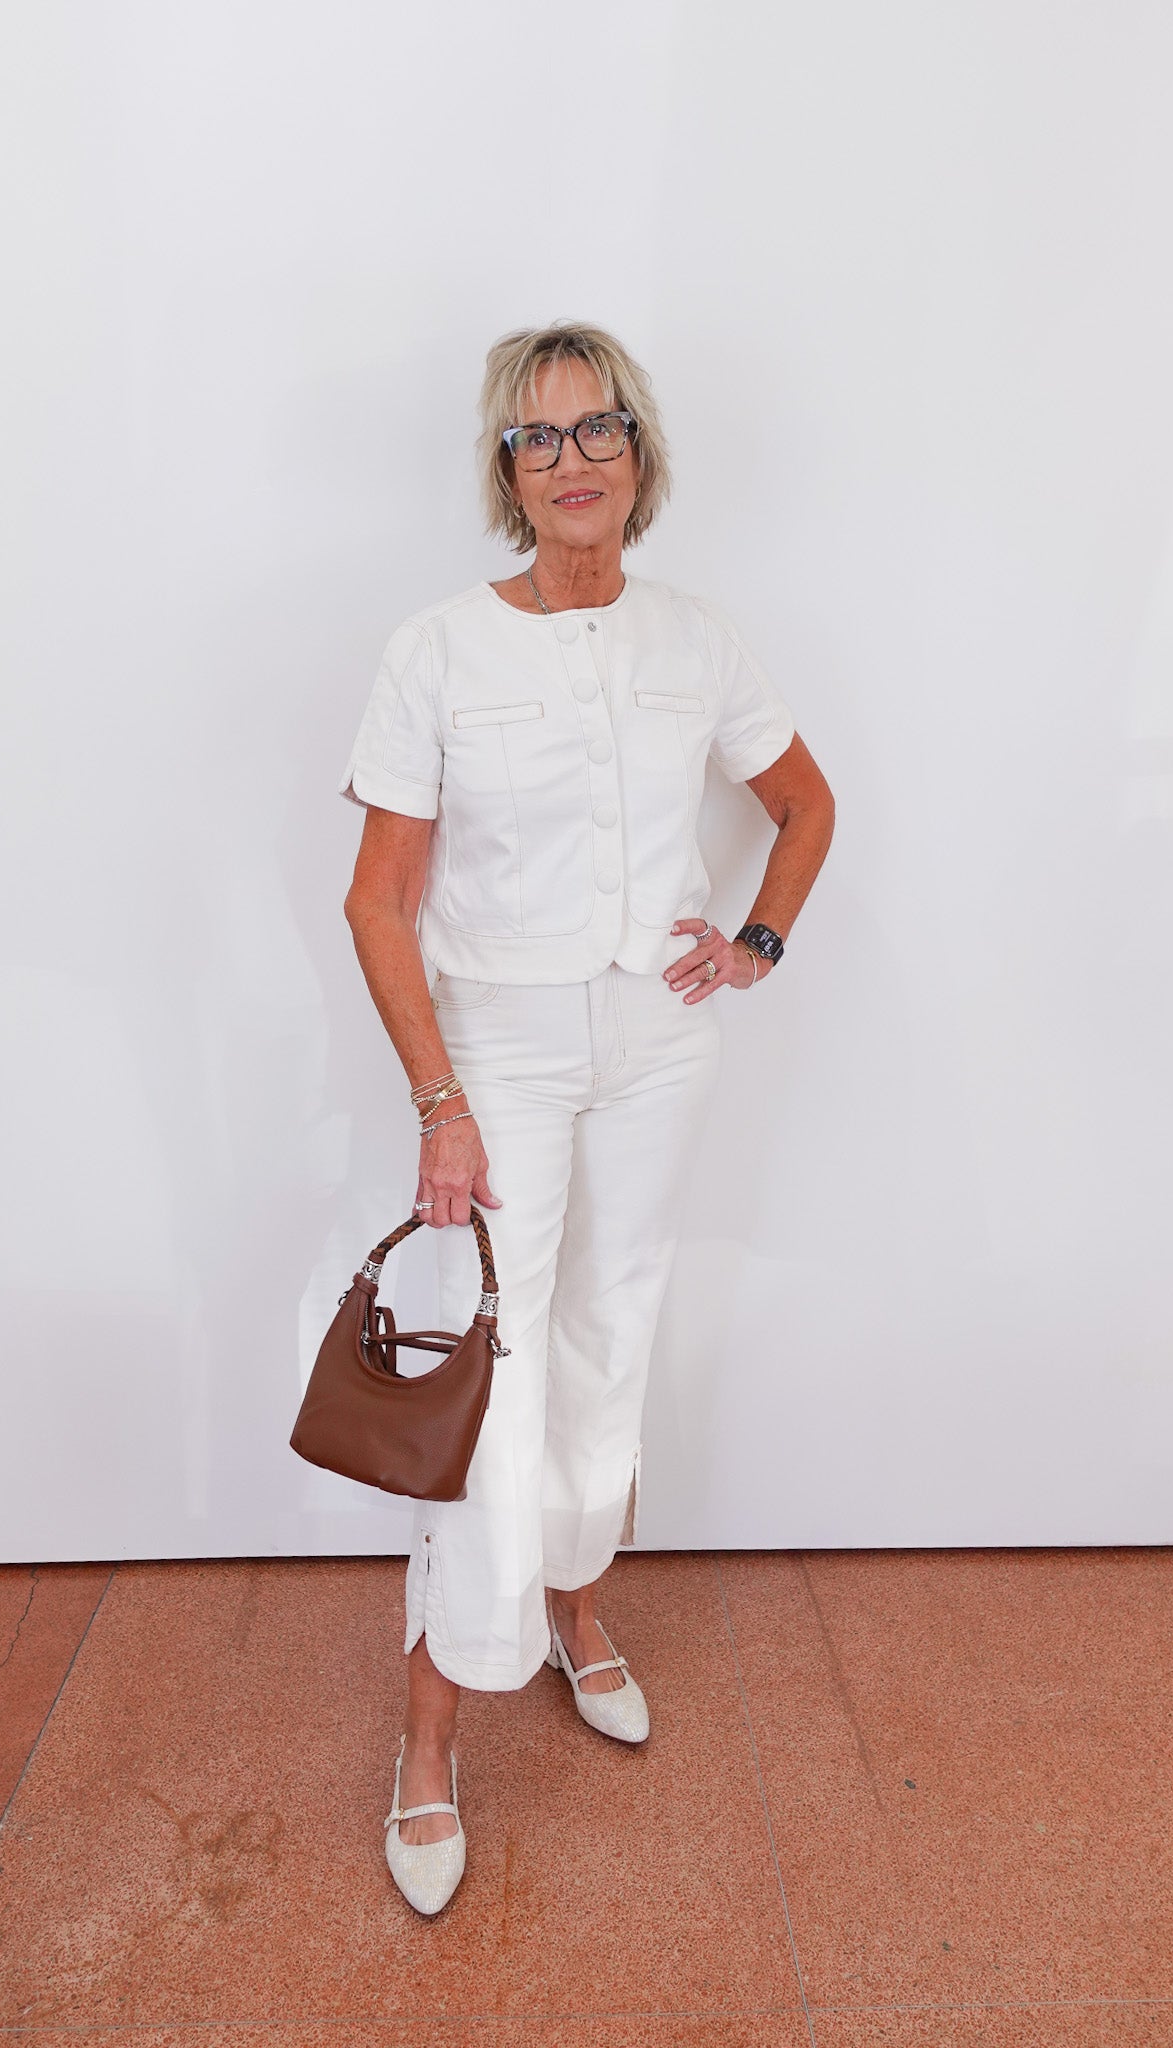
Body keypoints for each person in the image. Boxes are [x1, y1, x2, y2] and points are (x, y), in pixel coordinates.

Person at [339, 320, 835, 1913]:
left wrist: (754, 938)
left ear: (640, 451)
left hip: (660, 1033)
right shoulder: (436, 650)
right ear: (506, 469)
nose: (573, 460)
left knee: (612, 1335)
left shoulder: (699, 637)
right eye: (539, 437)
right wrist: (441, 1100)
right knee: (498, 1363)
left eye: (598, 427)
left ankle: (567, 1600)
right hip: (502, 1043)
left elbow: (805, 801)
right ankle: (434, 1724)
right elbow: (379, 902)